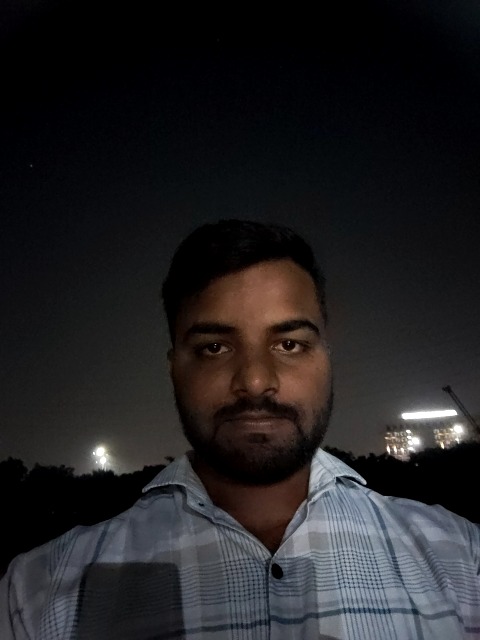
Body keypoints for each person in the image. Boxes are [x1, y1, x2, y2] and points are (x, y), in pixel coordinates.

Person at [1, 219, 479, 639]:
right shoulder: (37, 593)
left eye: (289, 344)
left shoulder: (463, 558)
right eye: (214, 347)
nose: (254, 380)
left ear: (328, 360)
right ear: (174, 369)